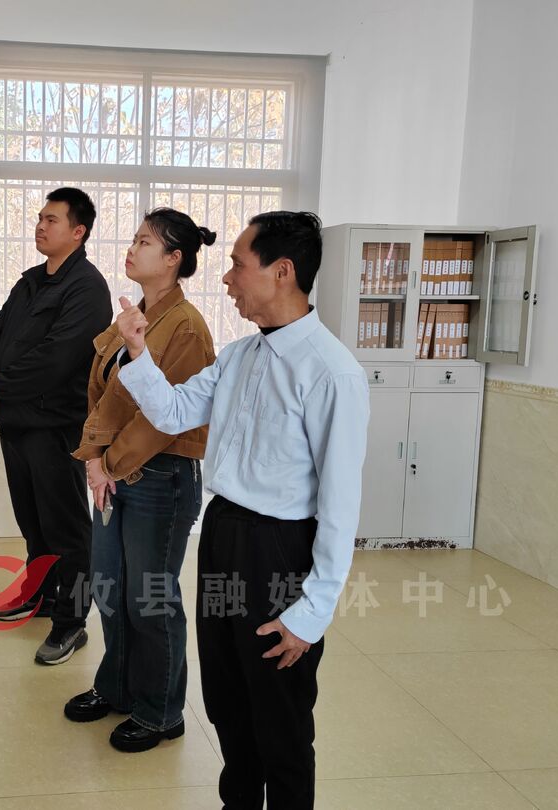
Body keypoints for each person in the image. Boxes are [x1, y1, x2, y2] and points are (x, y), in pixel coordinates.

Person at [114, 211, 369, 808]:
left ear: (282, 272)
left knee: (279, 718)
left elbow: (340, 506)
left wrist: (310, 615)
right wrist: (137, 350)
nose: (227, 279)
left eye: (237, 265)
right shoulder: (239, 356)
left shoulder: (332, 373)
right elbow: (174, 412)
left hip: (280, 550)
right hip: (223, 532)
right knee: (228, 701)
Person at [63, 209, 215, 753]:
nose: (132, 249)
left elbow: (163, 418)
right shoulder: (133, 316)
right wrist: (95, 459)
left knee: (151, 597)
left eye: (145, 242)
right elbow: (102, 391)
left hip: (160, 475)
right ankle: (118, 688)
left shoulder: (187, 327)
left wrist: (108, 464)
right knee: (110, 587)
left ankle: (161, 712)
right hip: (114, 470)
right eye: (133, 239)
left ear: (174, 259)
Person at [0, 187, 112, 665]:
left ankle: (72, 622)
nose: (40, 226)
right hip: (16, 424)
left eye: (52, 220)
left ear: (78, 231)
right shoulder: (30, 281)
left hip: (56, 427)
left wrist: (0, 386)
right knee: (33, 523)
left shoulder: (87, 288)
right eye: (39, 218)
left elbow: (57, 357)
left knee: (67, 530)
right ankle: (41, 596)